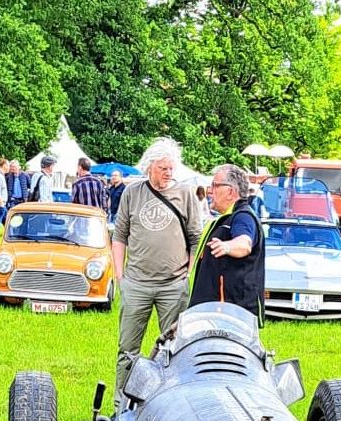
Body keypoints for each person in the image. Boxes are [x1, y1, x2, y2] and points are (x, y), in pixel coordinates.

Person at [112, 137, 201, 403]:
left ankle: (170, 402)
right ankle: (122, 403)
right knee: (128, 349)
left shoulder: (185, 193)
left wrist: (188, 271)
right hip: (136, 282)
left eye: (172, 168)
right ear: (150, 166)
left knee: (174, 348)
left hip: (172, 284)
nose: (168, 173)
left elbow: (196, 238)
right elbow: (119, 236)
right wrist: (120, 277)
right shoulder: (132, 193)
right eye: (163, 168)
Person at [189, 164, 264, 322]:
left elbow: (244, 243)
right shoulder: (226, 218)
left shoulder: (243, 217)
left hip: (228, 312)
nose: (210, 190)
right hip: (213, 309)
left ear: (230, 191)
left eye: (215, 185)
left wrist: (227, 246)